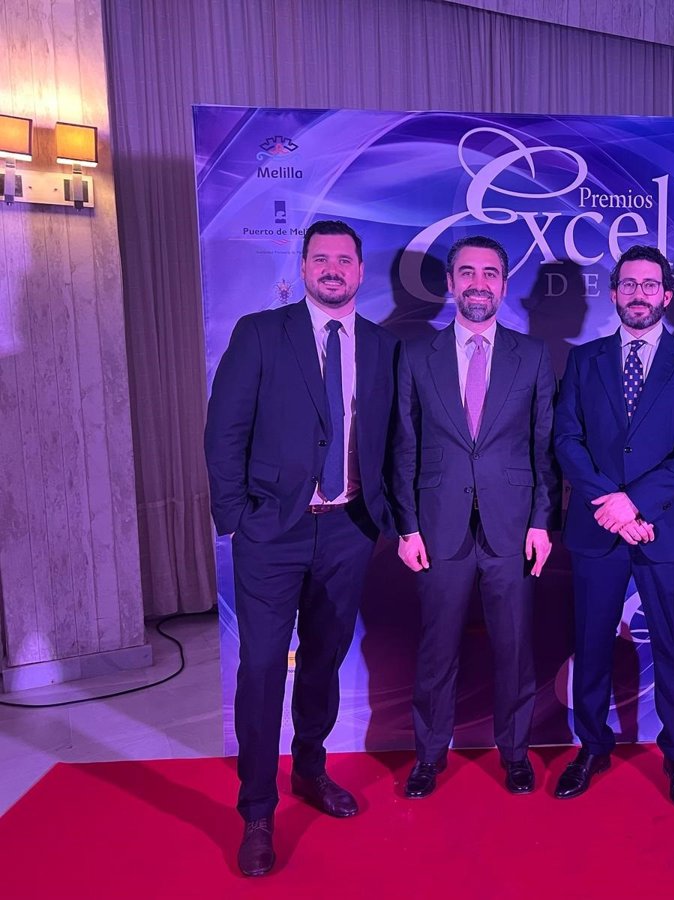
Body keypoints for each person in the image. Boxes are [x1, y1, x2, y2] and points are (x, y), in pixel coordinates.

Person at [204, 220, 400, 876]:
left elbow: (394, 439)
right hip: (271, 532)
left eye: (344, 259)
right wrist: (236, 518)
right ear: (305, 266)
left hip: (349, 529)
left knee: (322, 660)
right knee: (263, 666)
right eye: (321, 259)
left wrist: (388, 521)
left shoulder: (383, 346)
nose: (332, 269)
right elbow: (224, 430)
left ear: (361, 270)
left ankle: (310, 770)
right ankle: (257, 811)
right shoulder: (261, 333)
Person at [552, 245, 674, 808]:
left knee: (673, 648)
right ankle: (592, 747)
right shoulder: (584, 360)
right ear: (614, 293)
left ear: (667, 295)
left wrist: (636, 505)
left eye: (651, 285)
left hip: (665, 529)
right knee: (591, 645)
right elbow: (567, 440)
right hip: (597, 527)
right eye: (629, 284)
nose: (639, 294)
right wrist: (610, 504)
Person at [395, 235, 558, 798]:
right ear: (450, 283)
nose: (478, 283)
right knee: (436, 650)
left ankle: (515, 753)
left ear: (504, 285)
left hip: (512, 528)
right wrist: (407, 526)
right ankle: (428, 756)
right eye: (467, 272)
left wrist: (541, 521)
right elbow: (404, 446)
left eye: (490, 273)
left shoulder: (532, 355)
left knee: (514, 648)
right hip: (437, 528)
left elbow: (544, 446)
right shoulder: (416, 355)